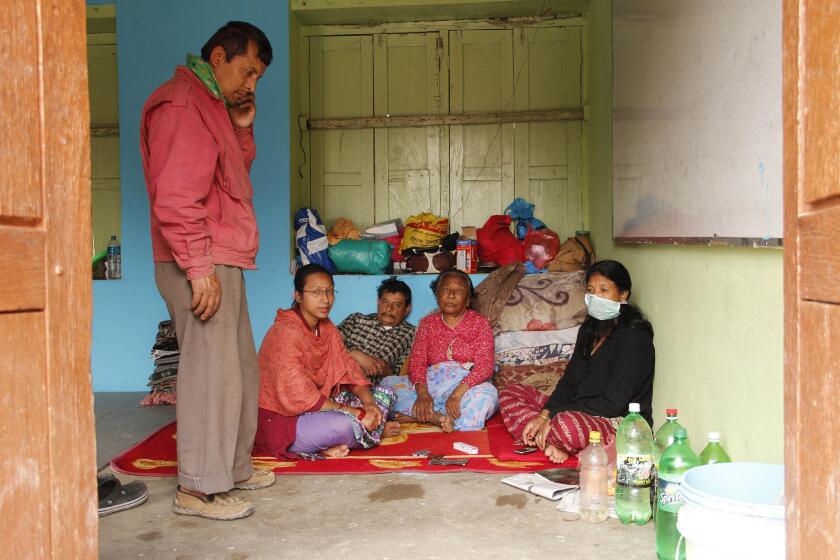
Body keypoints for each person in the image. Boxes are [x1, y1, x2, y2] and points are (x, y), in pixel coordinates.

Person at [140, 21, 274, 521]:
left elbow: (230, 178)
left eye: (257, 76)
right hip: (199, 258)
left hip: (222, 255)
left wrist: (241, 128)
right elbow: (176, 197)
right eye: (247, 71)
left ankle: (231, 469)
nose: (251, 83)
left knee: (236, 370)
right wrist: (198, 268)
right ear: (218, 57)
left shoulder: (213, 106)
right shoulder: (183, 104)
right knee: (208, 378)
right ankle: (196, 489)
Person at [499, 260, 655, 463]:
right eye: (590, 291)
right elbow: (569, 381)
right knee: (510, 393)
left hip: (617, 421)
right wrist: (544, 415)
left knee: (566, 425)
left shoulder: (635, 337)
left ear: (623, 295)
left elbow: (613, 404)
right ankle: (548, 437)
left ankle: (553, 438)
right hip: (577, 408)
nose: (595, 297)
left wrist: (553, 417)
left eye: (604, 290)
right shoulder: (589, 330)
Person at [254, 264, 400, 460]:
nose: (325, 299)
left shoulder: (327, 328)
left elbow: (348, 367)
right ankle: (363, 432)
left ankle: (340, 438)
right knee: (344, 425)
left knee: (384, 396)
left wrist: (369, 404)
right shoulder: (285, 332)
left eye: (329, 292)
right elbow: (301, 395)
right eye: (316, 292)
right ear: (298, 296)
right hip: (284, 419)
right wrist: (355, 413)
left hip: (319, 409)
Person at [380, 270, 498, 432]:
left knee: (487, 396)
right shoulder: (427, 323)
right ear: (437, 295)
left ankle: (424, 416)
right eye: (445, 290)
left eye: (459, 291)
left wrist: (456, 395)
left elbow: (485, 367)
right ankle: (434, 416)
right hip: (432, 385)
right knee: (386, 388)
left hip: (465, 388)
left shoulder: (479, 323)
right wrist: (422, 395)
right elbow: (417, 362)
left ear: (468, 300)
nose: (451, 295)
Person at [338, 277, 416, 382]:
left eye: (396, 305)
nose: (389, 309)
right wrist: (355, 354)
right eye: (385, 302)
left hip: (369, 387)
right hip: (336, 375)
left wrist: (386, 370)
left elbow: (401, 377)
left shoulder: (411, 334)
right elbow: (329, 340)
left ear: (407, 309)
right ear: (378, 302)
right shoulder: (356, 319)